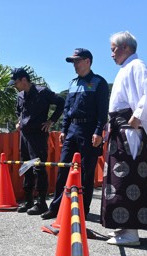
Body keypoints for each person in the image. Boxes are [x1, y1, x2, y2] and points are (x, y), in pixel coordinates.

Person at [101, 31, 147, 246]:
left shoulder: (136, 65)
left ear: (125, 47)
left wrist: (138, 116)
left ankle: (131, 233)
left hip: (129, 131)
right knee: (120, 178)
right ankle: (124, 227)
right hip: (122, 130)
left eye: (113, 49)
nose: (111, 54)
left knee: (127, 179)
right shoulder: (128, 68)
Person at [41, 48, 109, 220]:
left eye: (77, 61)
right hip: (71, 130)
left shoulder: (99, 82)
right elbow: (66, 109)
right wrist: (64, 129)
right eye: (73, 62)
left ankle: (82, 210)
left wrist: (98, 132)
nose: (75, 65)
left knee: (86, 172)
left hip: (89, 131)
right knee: (63, 168)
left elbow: (102, 111)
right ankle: (55, 208)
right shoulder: (72, 83)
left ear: (88, 61)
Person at [8, 68, 65, 215]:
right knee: (26, 166)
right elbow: (18, 112)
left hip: (38, 136)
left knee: (38, 168)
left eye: (16, 82)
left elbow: (61, 103)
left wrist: (51, 121)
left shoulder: (42, 92)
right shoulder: (20, 95)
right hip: (24, 135)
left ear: (24, 80)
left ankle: (41, 203)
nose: (14, 85)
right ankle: (28, 201)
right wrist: (19, 121)